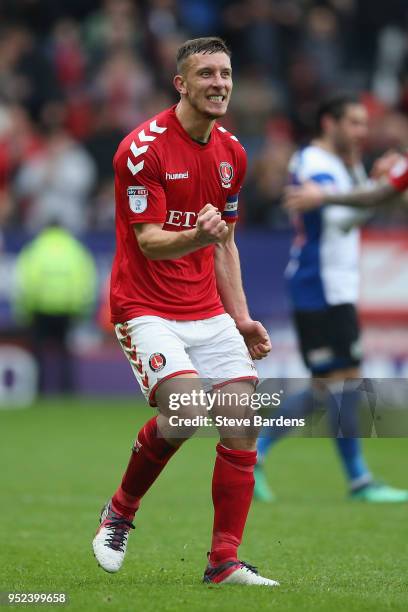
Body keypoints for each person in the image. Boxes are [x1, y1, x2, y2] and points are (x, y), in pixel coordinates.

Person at [92, 37, 279, 587]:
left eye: (225, 73)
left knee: (243, 419)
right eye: (206, 75)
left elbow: (225, 243)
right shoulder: (141, 149)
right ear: (181, 83)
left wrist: (240, 318)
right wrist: (194, 232)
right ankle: (120, 511)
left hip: (206, 308)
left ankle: (223, 561)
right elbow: (149, 241)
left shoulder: (233, 154)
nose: (219, 83)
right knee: (190, 410)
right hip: (145, 306)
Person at [254, 94, 408, 503]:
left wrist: (375, 185)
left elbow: (359, 204)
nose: (362, 131)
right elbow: (341, 218)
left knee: (330, 387)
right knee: (342, 383)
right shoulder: (313, 164)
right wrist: (382, 188)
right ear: (329, 123)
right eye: (354, 123)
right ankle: (358, 480)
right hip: (317, 286)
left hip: (335, 287)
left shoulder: (343, 163)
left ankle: (258, 455)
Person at [14, 222, 97, 393]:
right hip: (67, 309)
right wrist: (82, 309)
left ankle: (39, 390)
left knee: (38, 353)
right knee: (65, 353)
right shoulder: (75, 249)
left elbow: (25, 282)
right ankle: (67, 390)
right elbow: (86, 280)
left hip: (40, 308)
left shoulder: (35, 249)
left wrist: (25, 310)